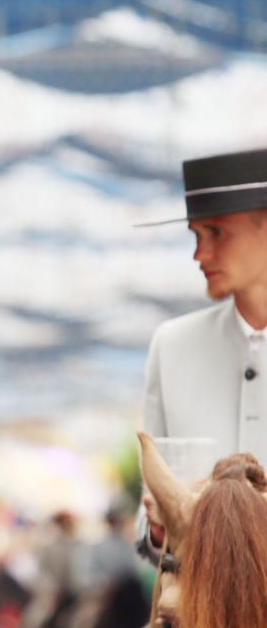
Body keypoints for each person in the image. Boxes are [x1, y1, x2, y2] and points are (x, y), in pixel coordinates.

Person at [139, 148, 267, 556]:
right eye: (196, 236)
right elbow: (149, 521)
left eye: (217, 233)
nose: (199, 255)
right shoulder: (172, 345)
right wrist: (161, 525)